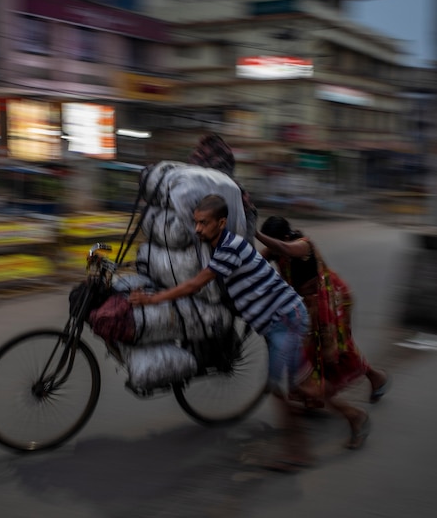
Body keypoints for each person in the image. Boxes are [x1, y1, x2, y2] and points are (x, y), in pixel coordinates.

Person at [129, 194, 316, 472]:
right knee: (293, 386)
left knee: (281, 390)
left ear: (222, 222)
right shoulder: (220, 247)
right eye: (195, 223)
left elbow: (195, 284)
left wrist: (152, 300)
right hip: (276, 320)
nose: (197, 230)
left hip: (286, 320)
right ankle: (333, 409)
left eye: (203, 223)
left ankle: (301, 452)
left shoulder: (230, 248)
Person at [256, 215, 390, 449]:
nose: (271, 248)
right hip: (305, 307)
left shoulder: (302, 244)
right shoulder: (275, 248)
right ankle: (327, 398)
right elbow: (258, 260)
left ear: (286, 236)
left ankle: (373, 380)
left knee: (338, 352)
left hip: (330, 302)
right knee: (314, 358)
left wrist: (256, 234)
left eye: (272, 242)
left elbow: (284, 248)